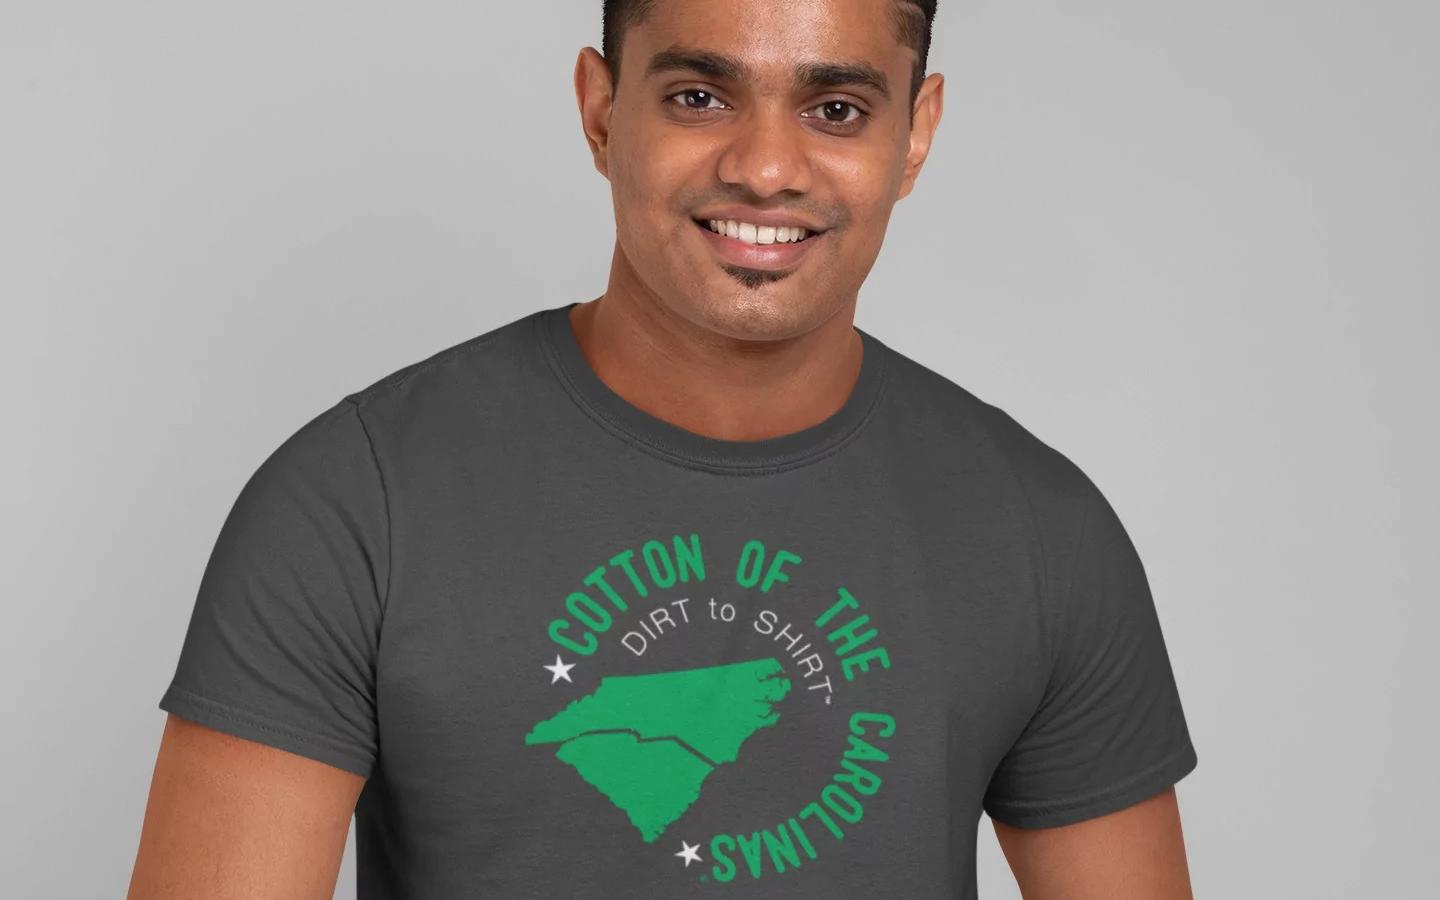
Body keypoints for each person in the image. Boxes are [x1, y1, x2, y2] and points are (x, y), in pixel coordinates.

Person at [127, 1, 1198, 897]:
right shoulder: (356, 502)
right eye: (699, 96)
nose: (768, 168)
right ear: (600, 111)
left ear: (915, 134)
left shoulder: (1041, 531)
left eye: (836, 108)